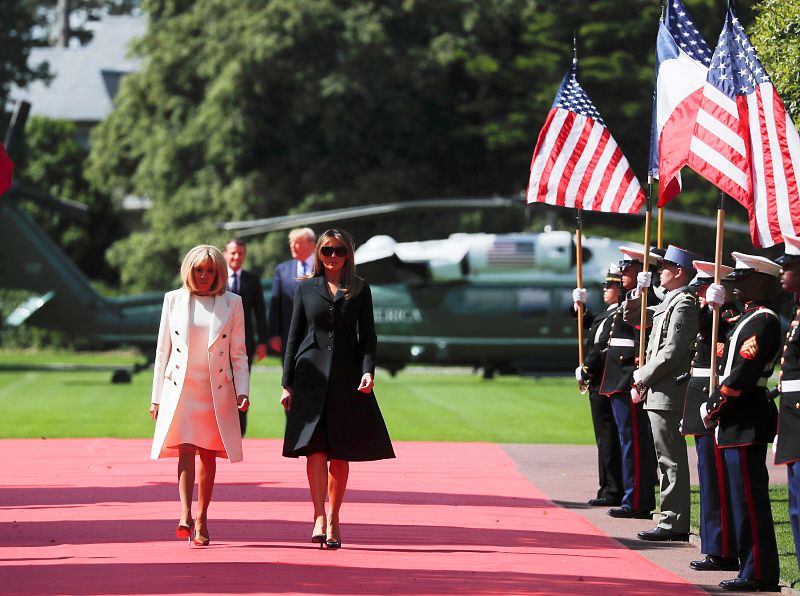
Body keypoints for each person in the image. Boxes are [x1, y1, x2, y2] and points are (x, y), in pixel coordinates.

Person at [280, 228, 394, 549]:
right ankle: (318, 514)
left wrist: (368, 371)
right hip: (309, 376)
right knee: (314, 448)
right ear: (319, 253)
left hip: (346, 376)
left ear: (348, 254)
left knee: (339, 452)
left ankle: (334, 518)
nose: (333, 257)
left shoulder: (360, 289)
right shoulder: (305, 288)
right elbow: (293, 336)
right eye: (327, 250)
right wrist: (286, 383)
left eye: (339, 251)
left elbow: (368, 336)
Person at [149, 245, 250, 547]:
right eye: (198, 270)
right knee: (185, 449)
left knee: (208, 453)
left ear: (219, 273)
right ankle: (184, 512)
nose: (204, 276)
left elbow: (239, 353)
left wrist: (243, 390)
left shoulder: (233, 303)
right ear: (189, 271)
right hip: (180, 387)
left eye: (210, 270)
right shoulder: (173, 300)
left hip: (214, 388)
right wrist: (156, 397)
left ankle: (203, 517)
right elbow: (162, 351)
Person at [702, 252, 781, 592]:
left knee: (750, 500)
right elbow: (714, 343)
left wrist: (717, 403)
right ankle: (751, 566)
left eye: (743, 280)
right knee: (741, 500)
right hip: (737, 419)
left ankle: (759, 571)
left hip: (745, 415)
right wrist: (709, 310)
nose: (736, 286)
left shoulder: (763, 320)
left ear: (761, 282)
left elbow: (744, 372)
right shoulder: (746, 318)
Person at [626, 245, 700, 542]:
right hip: (659, 389)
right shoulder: (670, 301)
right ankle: (670, 516)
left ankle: (674, 522)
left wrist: (641, 375)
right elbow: (635, 318)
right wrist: (637, 293)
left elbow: (671, 352)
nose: (659, 271)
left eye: (663, 267)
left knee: (670, 459)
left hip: (668, 389)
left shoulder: (683, 303)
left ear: (679, 272)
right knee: (664, 458)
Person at [682, 261, 738, 571]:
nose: (700, 294)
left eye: (703, 288)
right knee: (707, 477)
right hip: (700, 395)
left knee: (716, 479)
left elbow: (716, 335)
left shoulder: (729, 315)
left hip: (714, 398)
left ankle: (724, 548)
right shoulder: (713, 314)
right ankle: (713, 544)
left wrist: (718, 308)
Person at [601, 246, 657, 520]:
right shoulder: (632, 297)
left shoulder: (647, 297)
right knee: (628, 440)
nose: (622, 271)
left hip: (627, 376)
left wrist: (647, 292)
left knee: (633, 442)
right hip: (617, 376)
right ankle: (632, 496)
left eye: (629, 267)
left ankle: (636, 499)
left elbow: (642, 333)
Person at [574, 264, 623, 507]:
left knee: (609, 438)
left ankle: (613, 489)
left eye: (610, 285)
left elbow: (601, 347)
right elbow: (593, 326)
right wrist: (580, 307)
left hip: (605, 381)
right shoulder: (608, 314)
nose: (605, 289)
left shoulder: (619, 314)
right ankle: (607, 487)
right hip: (598, 383)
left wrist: (585, 370)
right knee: (604, 439)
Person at [774, 233, 800, 576]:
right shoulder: (795, 311)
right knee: (796, 505)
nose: (783, 272)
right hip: (792, 417)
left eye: (789, 267)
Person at [223, 238, 268, 436]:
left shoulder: (252, 280)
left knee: (241, 384)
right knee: (220, 384)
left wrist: (262, 342)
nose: (236, 257)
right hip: (218, 342)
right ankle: (219, 426)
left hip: (244, 342)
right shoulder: (216, 277)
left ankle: (240, 430)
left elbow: (260, 313)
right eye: (233, 253)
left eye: (240, 253)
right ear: (225, 254)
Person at [269, 228, 317, 360]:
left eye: (296, 242)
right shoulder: (282, 269)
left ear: (311, 244)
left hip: (318, 335)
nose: (292, 246)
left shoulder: (323, 267)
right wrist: (273, 333)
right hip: (288, 336)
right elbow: (275, 303)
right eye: (291, 243)